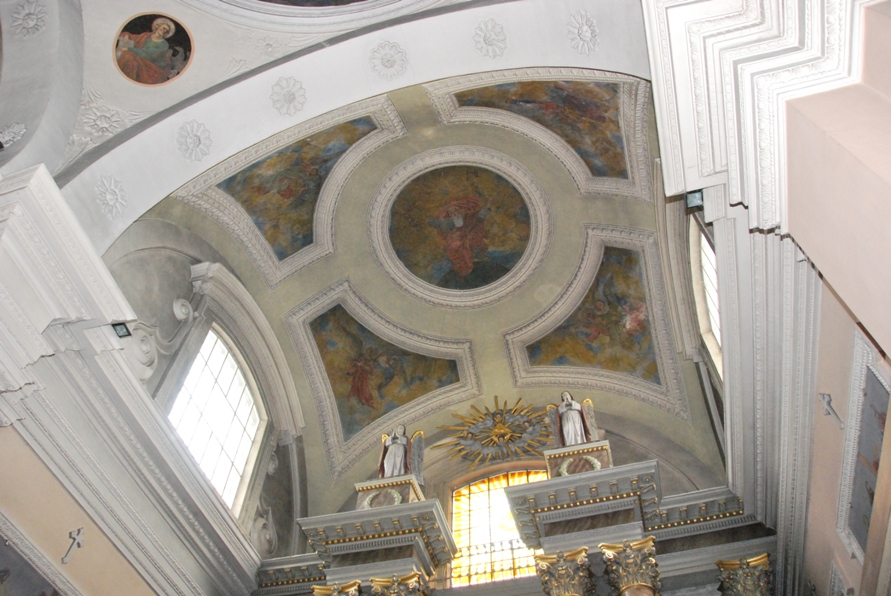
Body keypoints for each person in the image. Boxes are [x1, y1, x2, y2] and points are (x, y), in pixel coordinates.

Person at [428, 197, 491, 278]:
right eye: (453, 213)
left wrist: (484, 212)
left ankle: (477, 256)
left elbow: (477, 217)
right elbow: (440, 224)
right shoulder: (449, 223)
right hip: (455, 239)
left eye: (457, 211)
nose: (456, 214)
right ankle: (461, 265)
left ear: (460, 211)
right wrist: (434, 222)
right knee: (455, 244)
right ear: (450, 216)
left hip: (469, 238)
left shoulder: (467, 218)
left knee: (473, 236)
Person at [116, 17, 179, 85]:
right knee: (128, 57)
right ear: (158, 27)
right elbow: (135, 37)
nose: (164, 31)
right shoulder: (147, 35)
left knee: (130, 59)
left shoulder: (164, 44)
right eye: (163, 28)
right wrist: (127, 35)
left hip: (151, 65)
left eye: (166, 31)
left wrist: (129, 49)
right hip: (140, 59)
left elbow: (148, 55)